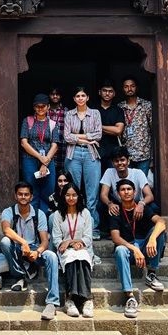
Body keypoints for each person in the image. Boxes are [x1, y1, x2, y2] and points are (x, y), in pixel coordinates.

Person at [0, 182, 60, 321]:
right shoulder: (9, 211)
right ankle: (20, 276)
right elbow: (6, 230)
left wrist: (37, 252)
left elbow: (45, 240)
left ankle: (52, 302)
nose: (23, 197)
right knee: (5, 241)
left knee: (51, 256)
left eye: (26, 194)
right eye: (20, 194)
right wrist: (23, 242)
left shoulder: (39, 214)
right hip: (17, 248)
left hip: (34, 248)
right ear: (15, 196)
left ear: (31, 197)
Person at [110, 179, 167, 319]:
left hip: (145, 247)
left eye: (129, 189)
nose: (126, 192)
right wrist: (134, 249)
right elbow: (115, 238)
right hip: (129, 249)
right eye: (123, 190)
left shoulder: (143, 208)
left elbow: (162, 222)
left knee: (159, 232)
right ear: (118, 194)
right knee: (119, 250)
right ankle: (129, 296)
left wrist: (152, 238)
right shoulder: (116, 211)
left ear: (135, 192)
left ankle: (151, 273)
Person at [63, 87, 103, 240]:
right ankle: (73, 228)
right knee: (73, 191)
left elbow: (98, 135)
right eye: (77, 96)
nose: (80, 98)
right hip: (73, 154)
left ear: (87, 97)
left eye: (83, 95)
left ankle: (93, 228)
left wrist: (77, 136)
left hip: (90, 153)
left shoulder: (95, 113)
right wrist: (87, 138)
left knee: (92, 193)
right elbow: (67, 137)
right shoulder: (69, 114)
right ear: (74, 99)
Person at [51, 183, 94, 318]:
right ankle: (71, 299)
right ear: (63, 197)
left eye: (74, 195)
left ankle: (87, 300)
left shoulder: (85, 213)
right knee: (71, 258)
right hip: (66, 249)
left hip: (83, 247)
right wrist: (69, 242)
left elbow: (88, 236)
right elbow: (57, 238)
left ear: (78, 196)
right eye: (68, 195)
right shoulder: (58, 215)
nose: (71, 198)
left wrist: (79, 243)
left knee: (81, 258)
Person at [19, 94, 59, 214]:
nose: (40, 109)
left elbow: (55, 144)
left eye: (43, 106)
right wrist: (40, 157)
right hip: (30, 159)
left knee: (49, 190)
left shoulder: (52, 123)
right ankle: (32, 219)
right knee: (31, 190)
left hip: (48, 159)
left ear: (48, 107)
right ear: (34, 107)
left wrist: (45, 161)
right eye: (37, 107)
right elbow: (24, 142)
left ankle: (45, 222)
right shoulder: (28, 121)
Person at [100, 146, 155, 217]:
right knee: (101, 207)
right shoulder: (109, 172)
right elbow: (103, 195)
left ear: (128, 161)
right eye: (116, 161)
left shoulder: (138, 173)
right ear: (113, 163)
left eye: (122, 160)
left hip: (137, 203)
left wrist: (141, 204)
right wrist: (110, 204)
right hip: (119, 205)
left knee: (154, 208)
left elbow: (150, 196)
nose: (120, 163)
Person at [118, 76, 153, 176]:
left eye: (132, 86)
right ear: (122, 89)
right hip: (126, 154)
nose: (129, 89)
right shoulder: (119, 107)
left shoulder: (146, 105)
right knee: (127, 185)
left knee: (141, 185)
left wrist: (153, 158)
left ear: (136, 88)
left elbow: (154, 131)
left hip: (144, 153)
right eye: (126, 86)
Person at [97, 81, 125, 170]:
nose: (107, 93)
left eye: (110, 91)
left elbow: (118, 131)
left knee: (114, 181)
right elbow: (88, 129)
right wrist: (110, 129)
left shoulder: (118, 110)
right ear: (99, 92)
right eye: (104, 91)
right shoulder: (93, 110)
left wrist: (98, 127)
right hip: (95, 152)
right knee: (96, 181)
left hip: (113, 153)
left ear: (114, 94)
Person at [47, 88, 66, 172]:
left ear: (60, 96)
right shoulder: (44, 111)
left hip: (62, 148)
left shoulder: (66, 111)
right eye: (52, 94)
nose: (55, 96)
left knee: (62, 176)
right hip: (48, 148)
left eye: (57, 94)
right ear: (49, 95)